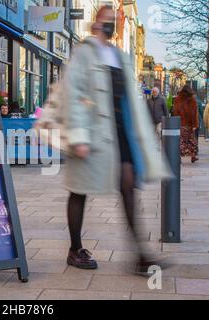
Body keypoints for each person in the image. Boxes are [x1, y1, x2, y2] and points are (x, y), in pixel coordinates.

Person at [62, 6, 171, 274]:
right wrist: (78, 136)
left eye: (115, 20)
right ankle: (75, 249)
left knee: (128, 184)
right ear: (96, 22)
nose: (112, 24)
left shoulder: (119, 55)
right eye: (107, 20)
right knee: (79, 189)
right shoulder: (84, 52)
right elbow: (72, 92)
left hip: (119, 133)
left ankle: (141, 255)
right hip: (90, 130)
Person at [172, 85, 199, 163]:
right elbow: (194, 114)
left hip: (180, 123)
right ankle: (193, 156)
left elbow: (175, 112)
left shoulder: (177, 99)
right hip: (189, 124)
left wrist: (176, 122)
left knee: (181, 141)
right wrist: (195, 125)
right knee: (191, 141)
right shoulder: (192, 100)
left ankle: (179, 157)